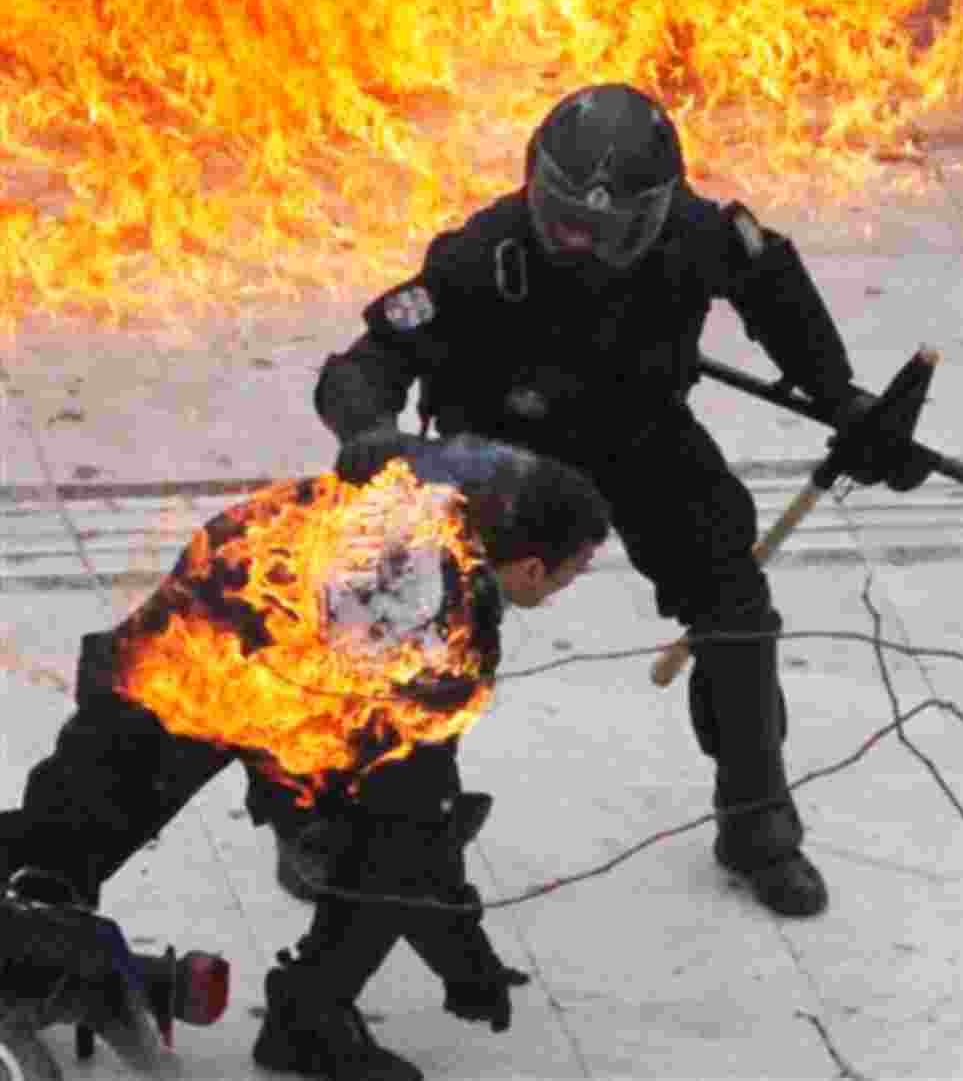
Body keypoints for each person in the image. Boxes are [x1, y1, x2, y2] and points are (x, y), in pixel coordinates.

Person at [314, 82, 929, 922]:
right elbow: (362, 364)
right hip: (505, 456)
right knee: (416, 624)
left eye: (605, 231)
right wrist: (370, 429)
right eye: (562, 217)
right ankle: (360, 827)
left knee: (735, 600)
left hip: (635, 434)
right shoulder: (475, 257)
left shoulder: (698, 233)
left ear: (655, 212)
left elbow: (773, 282)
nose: (578, 243)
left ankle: (758, 825)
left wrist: (847, 401)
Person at [0, 432, 611, 1081]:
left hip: (204, 640)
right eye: (573, 572)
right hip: (204, 660)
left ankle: (36, 911)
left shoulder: (428, 498)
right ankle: (306, 1014)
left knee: (78, 812)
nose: (567, 587)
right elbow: (418, 801)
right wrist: (468, 963)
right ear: (532, 568)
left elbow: (365, 457)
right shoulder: (444, 616)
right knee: (400, 836)